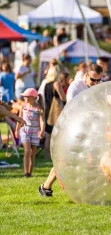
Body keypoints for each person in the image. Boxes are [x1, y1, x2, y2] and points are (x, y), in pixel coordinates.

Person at [38, 64, 103, 197]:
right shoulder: (75, 87)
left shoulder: (98, 87)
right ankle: (46, 186)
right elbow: (73, 109)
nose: (96, 83)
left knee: (90, 158)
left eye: (99, 80)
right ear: (86, 75)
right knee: (65, 159)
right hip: (73, 127)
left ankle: (88, 189)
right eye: (93, 80)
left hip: (91, 127)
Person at [15, 88, 45, 178]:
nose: (25, 98)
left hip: (35, 131)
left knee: (32, 153)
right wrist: (17, 130)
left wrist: (42, 131)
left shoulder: (39, 108)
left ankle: (29, 172)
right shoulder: (23, 107)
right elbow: (19, 119)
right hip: (25, 130)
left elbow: (42, 120)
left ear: (34, 98)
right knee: (27, 150)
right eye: (24, 96)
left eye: (27, 97)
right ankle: (26, 172)